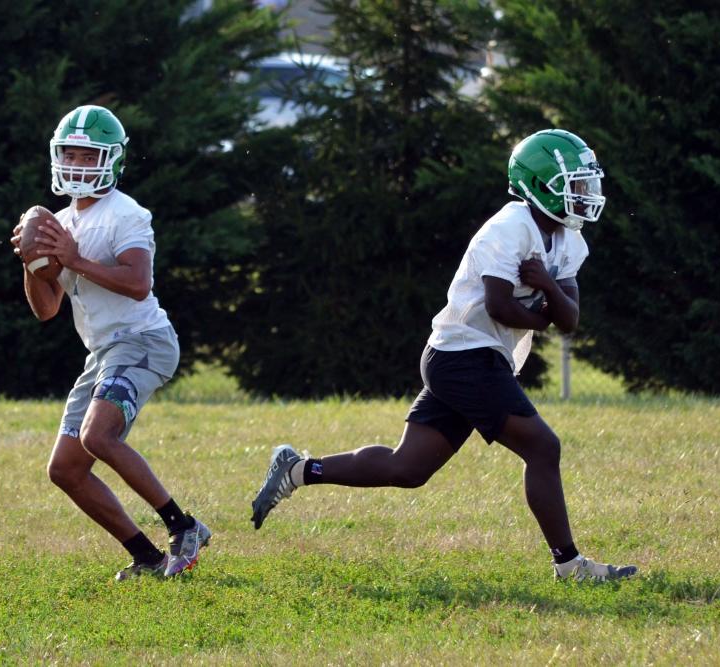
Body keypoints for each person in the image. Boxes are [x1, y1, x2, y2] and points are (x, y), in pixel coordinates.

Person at [251, 129, 637, 583]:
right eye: (573, 185)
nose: (583, 195)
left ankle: (297, 470)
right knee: (543, 447)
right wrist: (544, 314)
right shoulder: (510, 227)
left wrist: (548, 288)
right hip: (463, 355)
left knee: (408, 467)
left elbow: (569, 318)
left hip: (479, 357)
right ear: (539, 183)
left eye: (584, 185)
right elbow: (500, 306)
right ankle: (569, 564)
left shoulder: (570, 242)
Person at [10, 105, 210, 579]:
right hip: (102, 353)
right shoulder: (63, 221)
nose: (77, 165)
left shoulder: (127, 214)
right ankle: (146, 556)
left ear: (112, 160)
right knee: (65, 470)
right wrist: (31, 264)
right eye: (70, 155)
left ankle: (184, 526)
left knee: (98, 437)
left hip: (143, 339)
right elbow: (46, 309)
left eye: (88, 155)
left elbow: (138, 282)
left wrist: (74, 260)